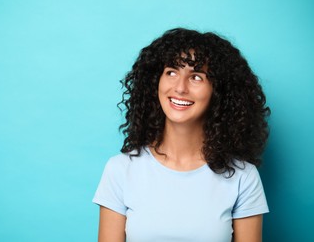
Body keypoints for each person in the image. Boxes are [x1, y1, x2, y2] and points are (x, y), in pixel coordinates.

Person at [93, 28, 270, 242]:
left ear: (219, 91)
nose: (180, 87)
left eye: (196, 77)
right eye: (171, 72)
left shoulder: (243, 176)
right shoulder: (120, 169)